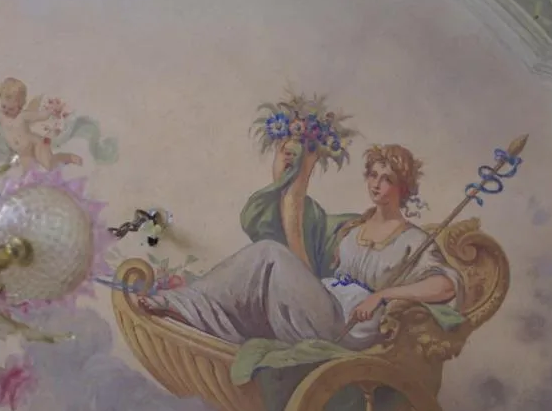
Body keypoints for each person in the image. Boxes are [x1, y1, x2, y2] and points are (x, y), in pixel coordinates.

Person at [138, 141, 462, 350]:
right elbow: (301, 256)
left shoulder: (413, 240)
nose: (376, 184)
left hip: (350, 325)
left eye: (387, 178)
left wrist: (383, 295)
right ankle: (196, 311)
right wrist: (289, 177)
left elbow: (445, 285)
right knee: (267, 257)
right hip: (323, 305)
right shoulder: (352, 227)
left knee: (269, 253)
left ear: (403, 187)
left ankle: (188, 307)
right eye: (373, 175)